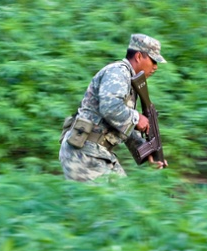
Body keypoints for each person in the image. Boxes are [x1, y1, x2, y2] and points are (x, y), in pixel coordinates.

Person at [59, 33, 168, 182]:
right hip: (84, 153)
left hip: (98, 153)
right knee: (107, 203)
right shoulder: (118, 72)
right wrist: (136, 118)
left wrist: (147, 151)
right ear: (138, 56)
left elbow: (120, 125)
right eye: (153, 60)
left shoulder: (129, 80)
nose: (155, 67)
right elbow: (110, 107)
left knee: (124, 201)